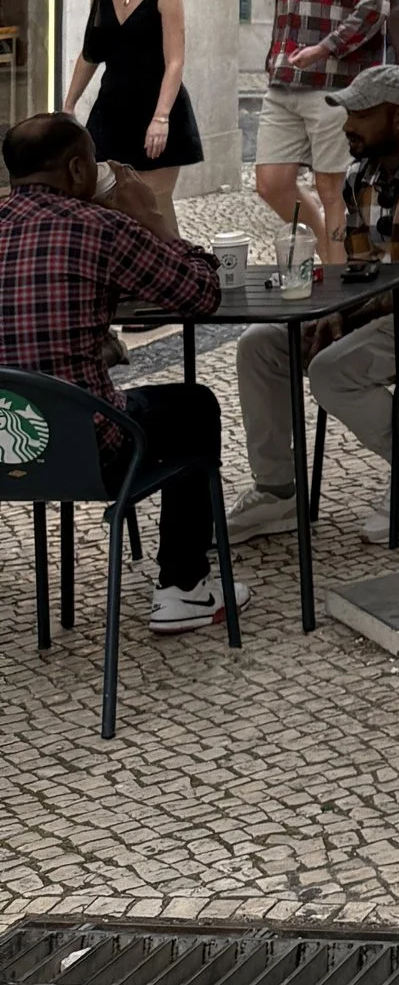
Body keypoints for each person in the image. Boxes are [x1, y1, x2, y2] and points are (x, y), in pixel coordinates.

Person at [230, 62, 399, 547]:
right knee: (259, 346)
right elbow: (359, 272)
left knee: (333, 371)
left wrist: (347, 316)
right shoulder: (363, 176)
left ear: (398, 117)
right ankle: (277, 492)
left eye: (359, 114)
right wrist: (334, 312)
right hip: (394, 304)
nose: (347, 126)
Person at [0, 110, 242, 634]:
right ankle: (184, 588)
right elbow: (201, 293)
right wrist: (149, 220)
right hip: (87, 452)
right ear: (78, 170)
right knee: (193, 405)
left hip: (5, 450)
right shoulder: (100, 228)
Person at [257, 0, 389, 269]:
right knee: (271, 182)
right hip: (284, 82)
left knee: (334, 190)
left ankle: (334, 289)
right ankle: (327, 243)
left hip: (333, 86)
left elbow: (374, 6)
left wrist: (324, 49)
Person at [66, 0, 201, 243]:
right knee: (107, 201)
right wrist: (68, 105)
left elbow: (175, 61)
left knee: (154, 204)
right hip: (111, 110)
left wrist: (161, 118)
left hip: (156, 109)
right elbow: (90, 53)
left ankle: (182, 271)